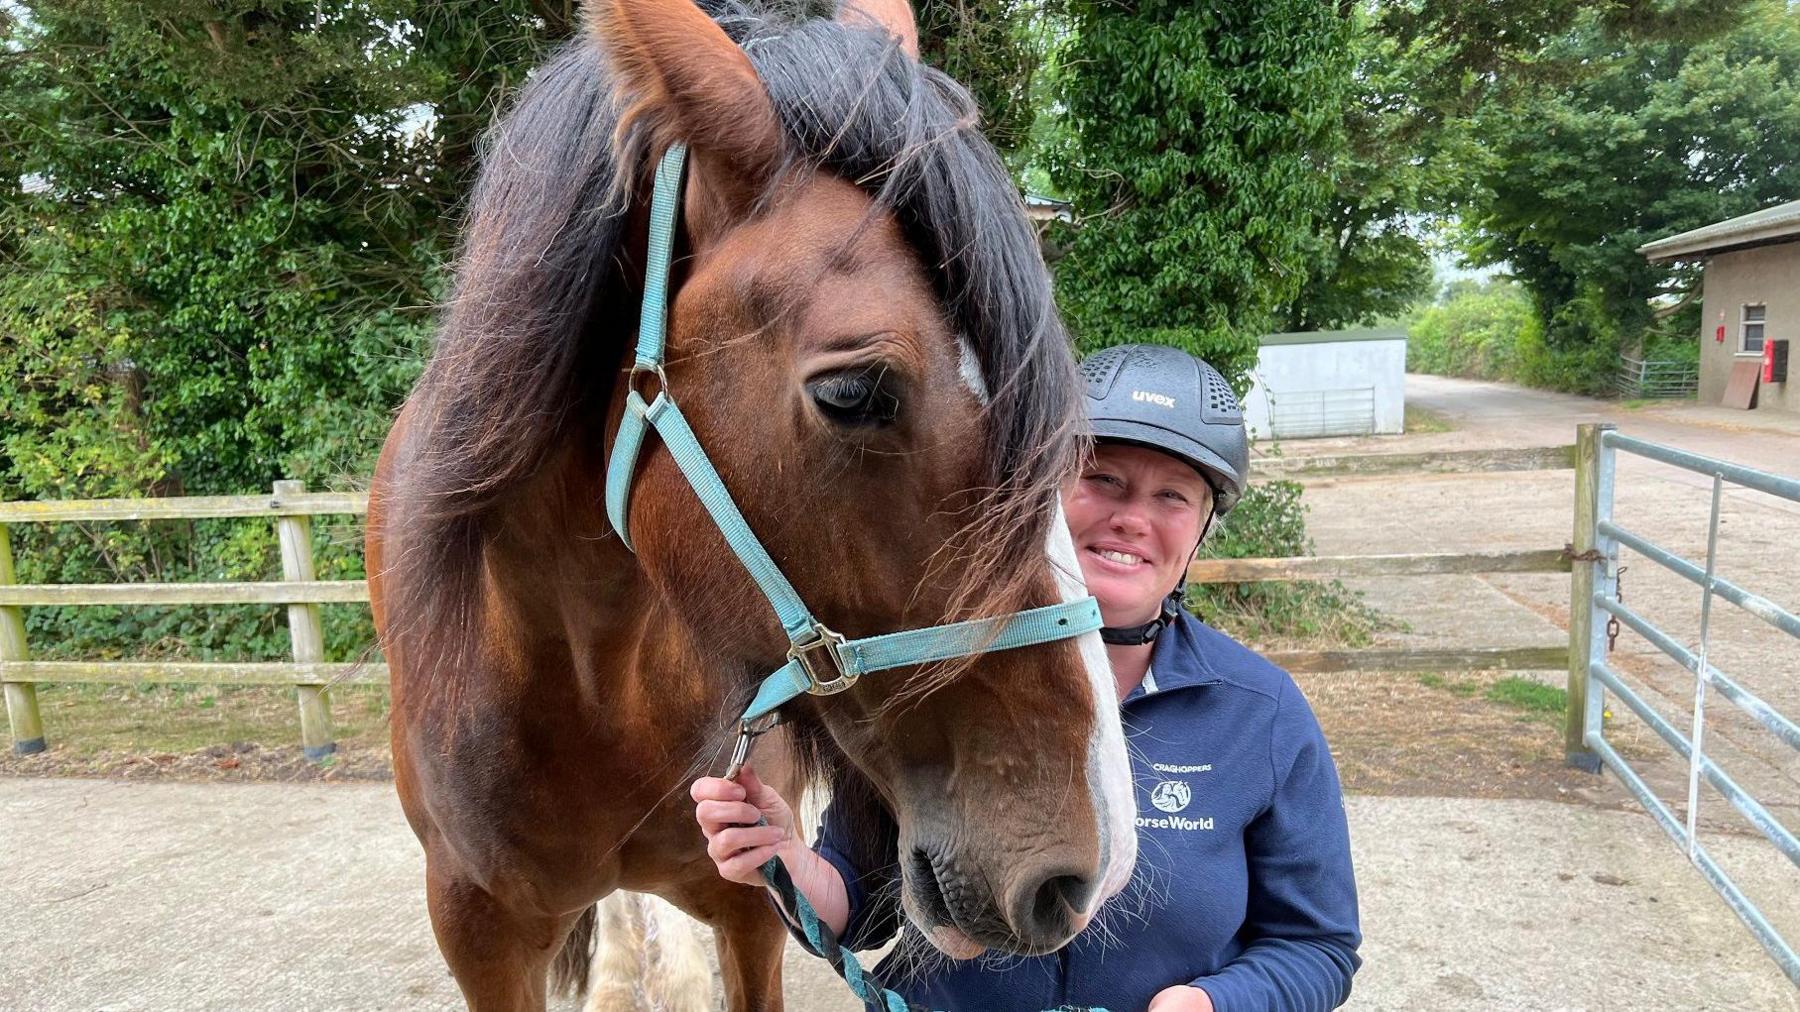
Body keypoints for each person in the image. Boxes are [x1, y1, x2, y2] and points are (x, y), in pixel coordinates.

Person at [692, 344, 1361, 1011]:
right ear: (1040, 494)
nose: (1133, 516)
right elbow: (858, 907)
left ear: (1201, 531)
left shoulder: (1261, 714)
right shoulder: (940, 678)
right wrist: (782, 858)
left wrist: (1211, 1005)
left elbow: (1317, 947)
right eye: (1103, 480)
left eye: (1173, 497)